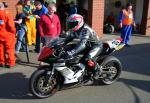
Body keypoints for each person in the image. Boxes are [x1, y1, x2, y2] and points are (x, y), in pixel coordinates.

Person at [63, 14, 103, 79]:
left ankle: (97, 70)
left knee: (87, 59)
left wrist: (71, 52)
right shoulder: (76, 29)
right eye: (70, 24)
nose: (70, 25)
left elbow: (82, 44)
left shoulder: (85, 30)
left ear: (79, 22)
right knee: (69, 47)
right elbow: (69, 38)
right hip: (87, 45)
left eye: (72, 24)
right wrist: (61, 43)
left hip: (96, 46)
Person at [0, 2, 16, 68]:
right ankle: (10, 63)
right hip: (8, 35)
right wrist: (14, 31)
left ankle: (2, 62)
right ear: (3, 6)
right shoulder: (7, 13)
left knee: (1, 49)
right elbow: (11, 26)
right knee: (10, 49)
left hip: (0, 34)